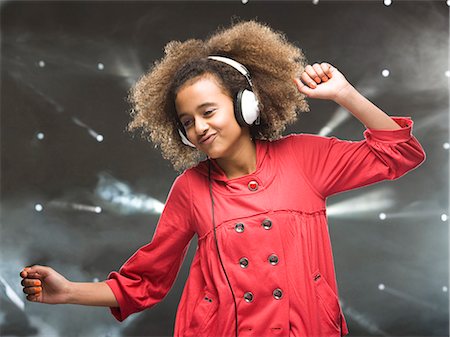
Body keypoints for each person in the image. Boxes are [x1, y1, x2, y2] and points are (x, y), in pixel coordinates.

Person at [20, 20, 425, 337]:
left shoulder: (305, 156)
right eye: (187, 122)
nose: (198, 127)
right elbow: (144, 282)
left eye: (208, 111)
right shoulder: (190, 189)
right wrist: (69, 292)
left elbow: (400, 153)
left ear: (246, 105)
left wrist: (344, 94)